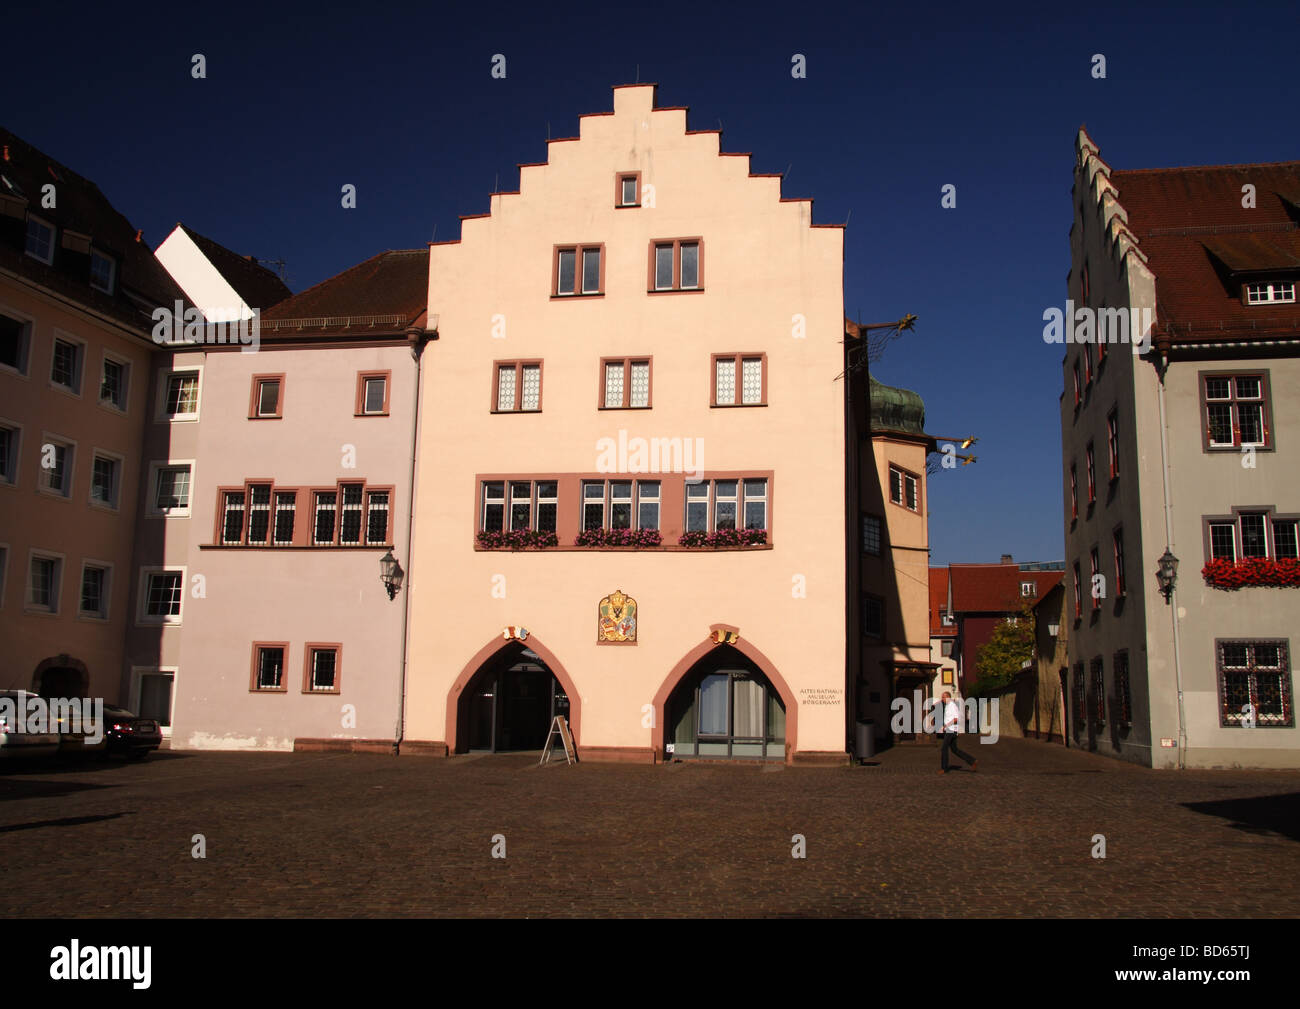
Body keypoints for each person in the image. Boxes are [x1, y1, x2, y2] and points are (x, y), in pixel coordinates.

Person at [937, 691, 978, 775]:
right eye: (942, 697)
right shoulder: (947, 706)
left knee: (944, 748)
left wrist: (945, 726)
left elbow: (956, 719)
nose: (942, 699)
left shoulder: (952, 706)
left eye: (943, 697)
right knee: (954, 749)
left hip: (951, 730)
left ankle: (944, 768)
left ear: (948, 697)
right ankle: (972, 761)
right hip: (950, 730)